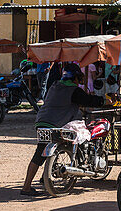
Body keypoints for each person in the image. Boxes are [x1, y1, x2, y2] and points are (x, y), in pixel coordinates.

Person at [20, 68, 105, 196]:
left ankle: (37, 181)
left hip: (41, 122)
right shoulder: (74, 91)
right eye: (79, 79)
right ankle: (32, 185)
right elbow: (89, 101)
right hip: (55, 124)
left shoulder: (54, 86)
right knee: (69, 141)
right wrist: (104, 100)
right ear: (75, 78)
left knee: (39, 153)